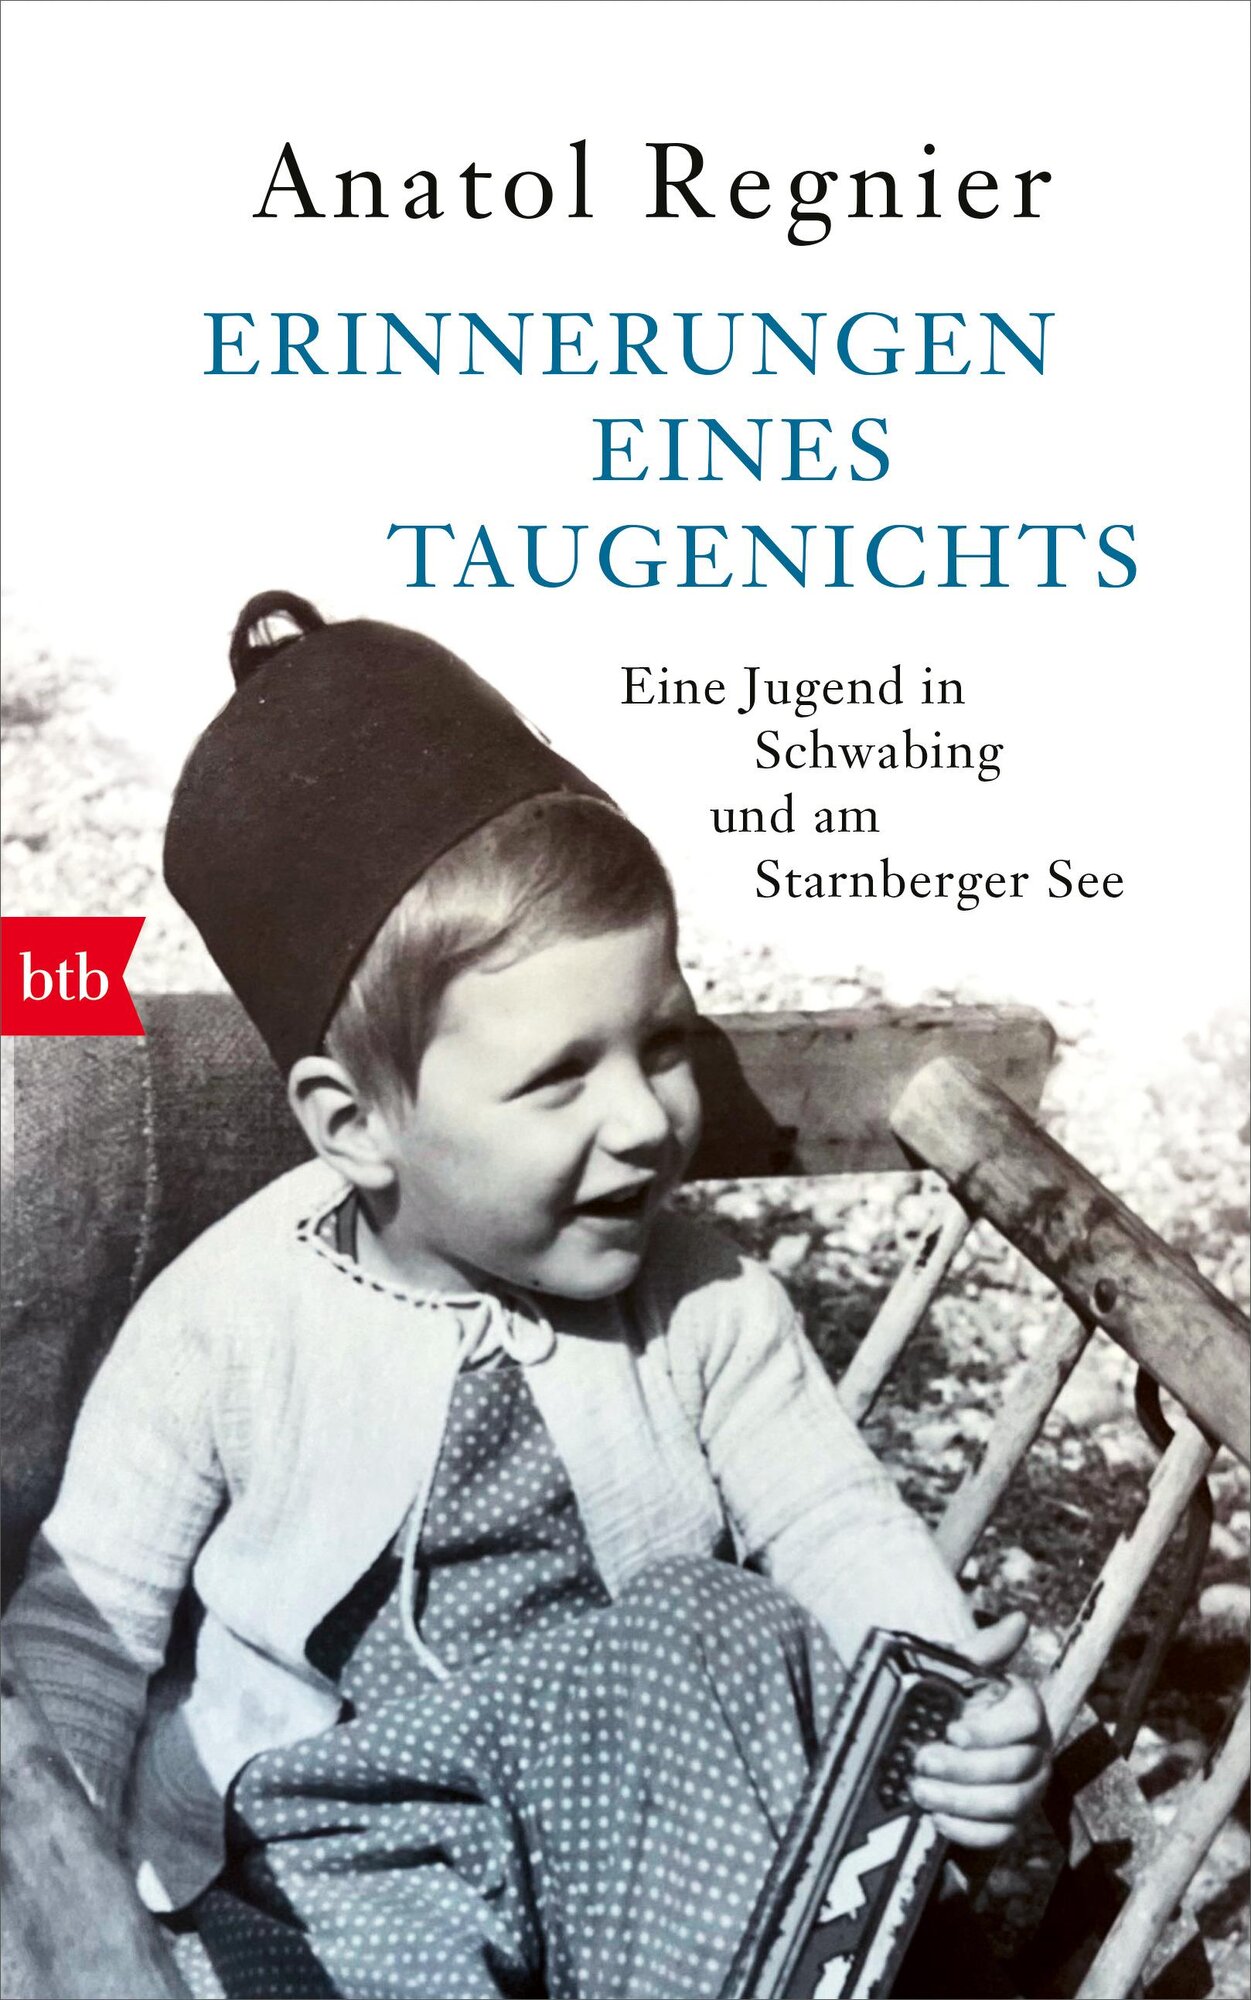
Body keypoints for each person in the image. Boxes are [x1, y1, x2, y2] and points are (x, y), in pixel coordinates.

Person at [2, 593, 1050, 2000]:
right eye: (560, 1078)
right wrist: (55, 1874)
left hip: (647, 1847)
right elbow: (88, 1629)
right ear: (355, 1125)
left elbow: (828, 1517)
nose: (647, 1120)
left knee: (714, 1621)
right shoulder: (224, 1324)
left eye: (662, 1042)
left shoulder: (702, 1299)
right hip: (356, 1836)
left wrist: (944, 1701)